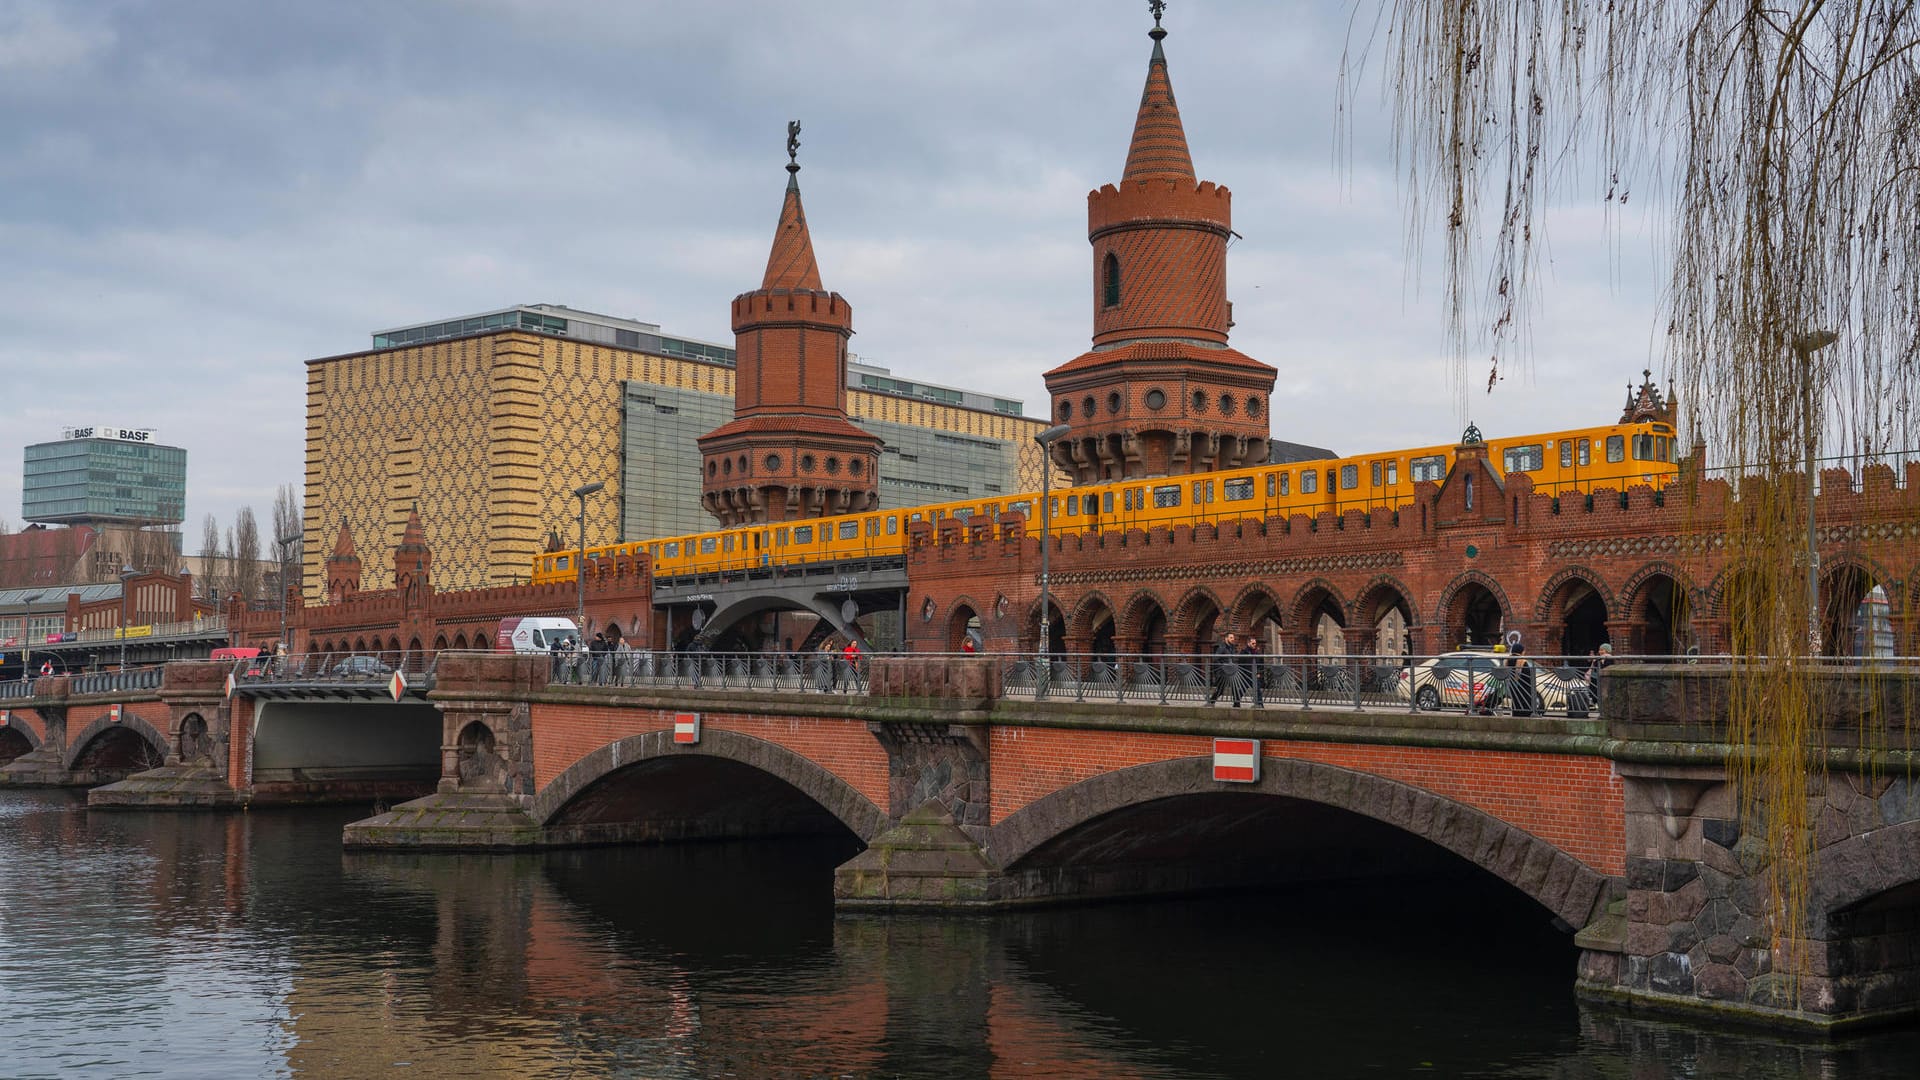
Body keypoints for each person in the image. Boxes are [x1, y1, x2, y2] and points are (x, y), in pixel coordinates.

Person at [1207, 632, 1241, 706]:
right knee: (1220, 690)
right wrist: (1222, 666)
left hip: (1231, 671)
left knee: (1235, 687)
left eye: (1233, 638)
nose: (1233, 639)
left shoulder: (1232, 647)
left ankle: (1237, 704)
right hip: (1223, 672)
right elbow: (1215, 658)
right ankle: (1211, 701)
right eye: (1231, 638)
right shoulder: (1222, 647)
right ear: (1226, 638)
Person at [1240, 634, 1264, 707]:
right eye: (1253, 643)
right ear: (1248, 643)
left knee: (1258, 690)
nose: (1254, 645)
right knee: (1241, 690)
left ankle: (1260, 704)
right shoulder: (1244, 652)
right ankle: (1236, 703)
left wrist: (1259, 672)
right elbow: (1240, 663)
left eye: (1255, 643)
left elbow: (1260, 664)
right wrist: (1243, 673)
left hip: (1254, 674)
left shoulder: (1256, 652)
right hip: (1246, 674)